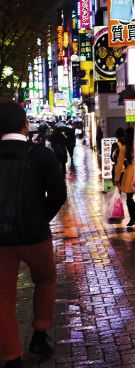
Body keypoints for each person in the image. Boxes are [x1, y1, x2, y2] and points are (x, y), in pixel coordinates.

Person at [0, 101, 67, 368]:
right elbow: (58, 195)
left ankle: (11, 356)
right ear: (25, 124)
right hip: (35, 235)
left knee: (3, 296)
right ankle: (39, 334)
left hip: (1, 240)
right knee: (46, 279)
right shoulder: (40, 154)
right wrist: (40, 219)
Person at [118, 127, 135, 230]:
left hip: (129, 173)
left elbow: (119, 165)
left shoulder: (125, 148)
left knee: (129, 197)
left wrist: (116, 179)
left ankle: (133, 218)